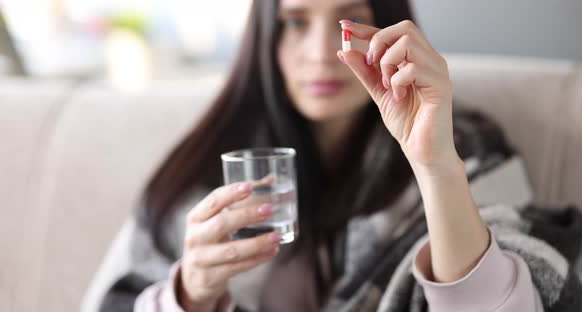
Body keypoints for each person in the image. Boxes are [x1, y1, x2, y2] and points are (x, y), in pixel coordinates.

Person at [95, 0, 582, 311]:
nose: (322, 52)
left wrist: (435, 165)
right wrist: (189, 296)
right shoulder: (201, 169)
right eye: (295, 22)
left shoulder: (467, 148)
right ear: (265, 38)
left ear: (390, 30)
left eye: (352, 24)